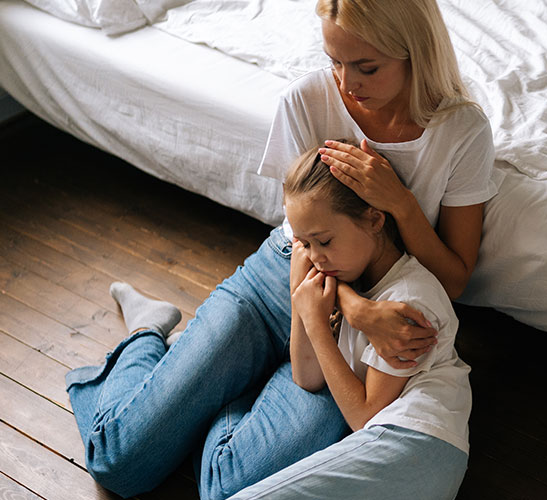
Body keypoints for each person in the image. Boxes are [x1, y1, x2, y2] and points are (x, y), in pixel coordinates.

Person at [65, 0, 502, 498]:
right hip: (280, 283)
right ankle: (147, 332)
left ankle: (228, 382)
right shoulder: (307, 98)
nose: (346, 84)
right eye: (335, 61)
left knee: (229, 484)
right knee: (118, 464)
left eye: (367, 67)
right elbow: (303, 237)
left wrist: (401, 204)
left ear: (415, 53)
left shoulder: (462, 131)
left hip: (350, 341)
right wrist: (354, 307)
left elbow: (454, 279)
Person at [226, 147, 471, 499]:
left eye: (324, 241)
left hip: (415, 440)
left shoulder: (409, 302)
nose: (314, 257)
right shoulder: (351, 281)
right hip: (402, 448)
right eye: (303, 243)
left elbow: (364, 416)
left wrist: (315, 322)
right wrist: (301, 299)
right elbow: (307, 378)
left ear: (374, 220)